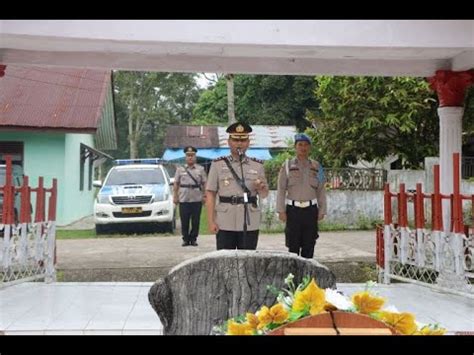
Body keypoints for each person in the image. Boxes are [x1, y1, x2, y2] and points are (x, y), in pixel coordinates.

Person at [206, 122, 269, 250]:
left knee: (247, 262)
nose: (239, 143)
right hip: (225, 221)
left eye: (243, 140)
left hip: (249, 220)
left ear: (248, 142)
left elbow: (264, 194)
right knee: (225, 262)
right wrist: (211, 220)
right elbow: (210, 193)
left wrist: (261, 187)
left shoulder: (257, 165)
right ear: (229, 142)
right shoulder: (217, 165)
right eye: (235, 140)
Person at [276, 133, 327, 259]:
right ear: (295, 147)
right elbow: (281, 189)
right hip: (293, 211)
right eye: (300, 145)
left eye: (306, 145)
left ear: (309, 148)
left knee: (309, 245)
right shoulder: (287, 166)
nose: (303, 148)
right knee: (293, 247)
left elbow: (321, 190)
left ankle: (307, 278)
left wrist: (322, 210)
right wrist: (281, 210)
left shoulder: (317, 167)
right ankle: (293, 277)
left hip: (310, 211)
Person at [173, 146, 207, 246]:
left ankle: (193, 239)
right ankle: (185, 239)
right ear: (185, 157)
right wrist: (175, 196)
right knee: (184, 220)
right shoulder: (180, 169)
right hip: (184, 198)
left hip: (196, 198)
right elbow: (176, 183)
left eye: (192, 155)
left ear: (195, 157)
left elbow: (205, 183)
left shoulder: (200, 169)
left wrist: (205, 196)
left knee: (196, 220)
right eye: (188, 156)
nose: (190, 157)